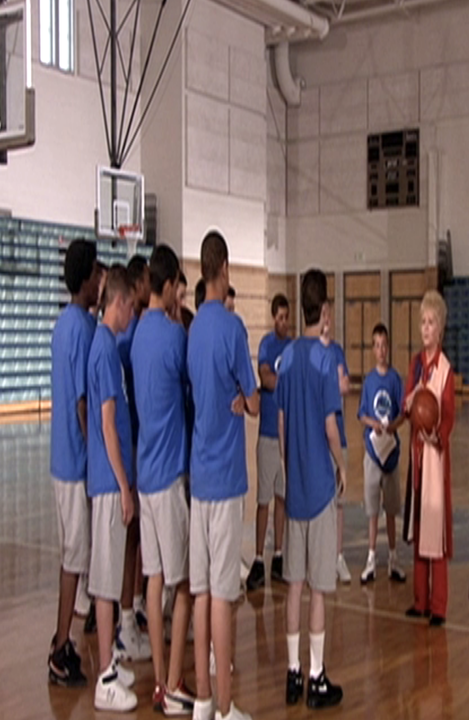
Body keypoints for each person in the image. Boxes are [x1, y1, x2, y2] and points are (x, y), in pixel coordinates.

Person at [188, 231, 259, 720]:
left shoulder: (193, 330)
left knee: (199, 591)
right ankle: (225, 706)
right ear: (226, 269)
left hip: (198, 474)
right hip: (228, 476)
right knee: (223, 595)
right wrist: (243, 397)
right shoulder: (233, 329)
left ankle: (201, 700)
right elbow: (253, 401)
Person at [131, 244, 195, 715]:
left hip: (144, 473)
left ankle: (159, 678)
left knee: (154, 578)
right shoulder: (175, 337)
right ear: (169, 285)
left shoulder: (135, 336)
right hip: (170, 474)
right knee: (185, 584)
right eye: (178, 286)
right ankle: (173, 685)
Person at [277, 269, 344, 710]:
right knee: (318, 590)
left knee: (294, 588)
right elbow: (328, 425)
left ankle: (292, 672)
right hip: (319, 489)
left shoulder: (285, 360)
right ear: (323, 310)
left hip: (296, 486)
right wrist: (342, 463)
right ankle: (317, 676)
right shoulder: (323, 360)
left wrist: (287, 464)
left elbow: (282, 424)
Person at [48, 239, 100, 687]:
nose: (102, 280)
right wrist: (99, 450)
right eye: (98, 272)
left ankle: (70, 633)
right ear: (86, 278)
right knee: (75, 556)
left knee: (75, 554)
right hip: (76, 460)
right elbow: (84, 403)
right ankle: (60, 646)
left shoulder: (63, 324)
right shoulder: (82, 327)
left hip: (60, 459)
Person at [87, 265, 138, 711]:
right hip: (107, 482)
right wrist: (124, 485)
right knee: (105, 582)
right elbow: (106, 423)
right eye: (130, 307)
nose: (131, 316)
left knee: (107, 576)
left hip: (110, 481)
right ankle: (104, 675)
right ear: (118, 303)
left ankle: (111, 660)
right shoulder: (104, 349)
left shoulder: (106, 346)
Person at [402, 290, 454, 627]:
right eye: (422, 321)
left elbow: (447, 416)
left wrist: (437, 434)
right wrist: (410, 405)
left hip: (435, 456)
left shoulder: (445, 370)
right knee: (419, 529)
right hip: (417, 455)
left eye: (431, 322)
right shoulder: (415, 364)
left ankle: (439, 605)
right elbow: (409, 402)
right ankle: (420, 600)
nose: (425, 327)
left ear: (440, 329)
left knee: (436, 531)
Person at [113, 254, 152, 659]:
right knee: (129, 538)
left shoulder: (134, 332)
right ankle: (123, 621)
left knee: (137, 536)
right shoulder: (128, 338)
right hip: (135, 445)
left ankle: (134, 608)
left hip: (138, 444)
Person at [246, 294, 291, 591]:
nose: (283, 322)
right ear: (273, 317)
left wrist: (282, 379)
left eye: (287, 317)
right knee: (263, 500)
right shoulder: (266, 344)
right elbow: (266, 376)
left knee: (281, 499)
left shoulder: (292, 347)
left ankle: (278, 556)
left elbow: (282, 379)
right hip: (266, 434)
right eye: (279, 317)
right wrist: (281, 379)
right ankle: (258, 558)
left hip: (286, 436)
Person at [357, 323, 406, 584]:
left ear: (389, 347)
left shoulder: (395, 379)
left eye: (384, 345)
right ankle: (371, 558)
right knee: (373, 509)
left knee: (391, 509)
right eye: (376, 345)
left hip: (391, 452)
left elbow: (402, 414)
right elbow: (362, 414)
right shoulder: (369, 381)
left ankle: (393, 559)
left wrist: (392, 426)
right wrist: (373, 424)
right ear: (372, 349)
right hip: (373, 452)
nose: (381, 350)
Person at [320, 301, 351, 583]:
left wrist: (332, 382)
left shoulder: (338, 350)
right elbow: (335, 384)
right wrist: (334, 381)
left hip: (338, 433)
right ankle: (321, 556)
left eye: (331, 313)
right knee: (322, 500)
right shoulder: (314, 351)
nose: (327, 318)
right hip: (319, 436)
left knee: (339, 500)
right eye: (324, 313)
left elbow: (345, 385)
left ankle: (338, 556)